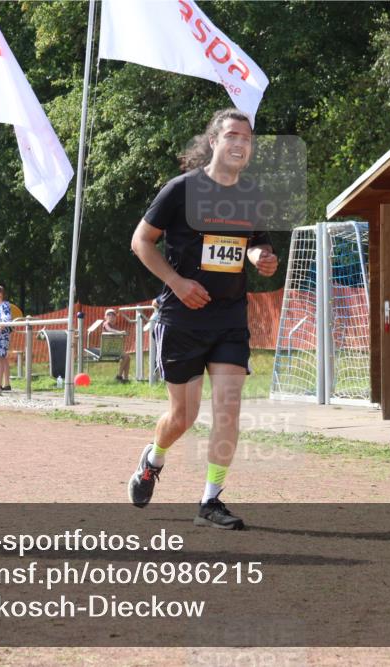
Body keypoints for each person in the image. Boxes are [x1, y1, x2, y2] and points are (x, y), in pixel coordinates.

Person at [127, 108, 278, 530]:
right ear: (214, 141)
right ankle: (153, 459)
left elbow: (254, 245)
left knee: (228, 410)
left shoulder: (251, 196)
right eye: (232, 135)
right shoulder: (181, 190)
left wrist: (261, 259)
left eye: (247, 138)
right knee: (184, 417)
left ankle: (210, 500)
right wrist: (176, 282)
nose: (240, 143)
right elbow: (141, 241)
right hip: (183, 317)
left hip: (229, 317)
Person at [102, 308, 131, 383]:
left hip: (114, 348)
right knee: (126, 356)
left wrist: (123, 334)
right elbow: (110, 330)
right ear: (105, 317)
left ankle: (126, 379)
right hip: (107, 349)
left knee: (128, 357)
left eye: (113, 315)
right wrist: (120, 332)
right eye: (109, 315)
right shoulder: (106, 324)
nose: (111, 316)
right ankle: (119, 376)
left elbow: (117, 335)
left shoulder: (115, 326)